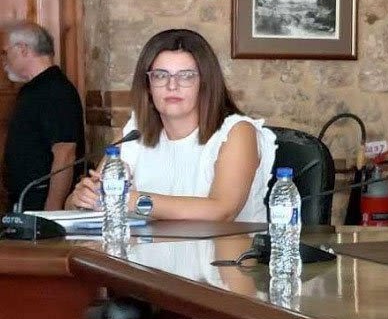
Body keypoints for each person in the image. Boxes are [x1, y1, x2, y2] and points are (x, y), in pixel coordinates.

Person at [67, 28, 276, 222]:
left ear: (205, 83)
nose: (172, 85)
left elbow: (222, 210)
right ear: (148, 86)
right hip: (149, 249)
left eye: (186, 76)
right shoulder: (136, 132)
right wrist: (80, 200)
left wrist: (135, 201)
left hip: (224, 249)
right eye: (160, 75)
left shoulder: (237, 131)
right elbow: (87, 199)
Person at [2, 21, 85, 211]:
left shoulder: (56, 91)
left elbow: (65, 154)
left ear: (23, 49)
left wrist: (52, 210)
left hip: (41, 206)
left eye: (5, 52)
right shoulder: (33, 90)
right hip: (24, 202)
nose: (3, 60)